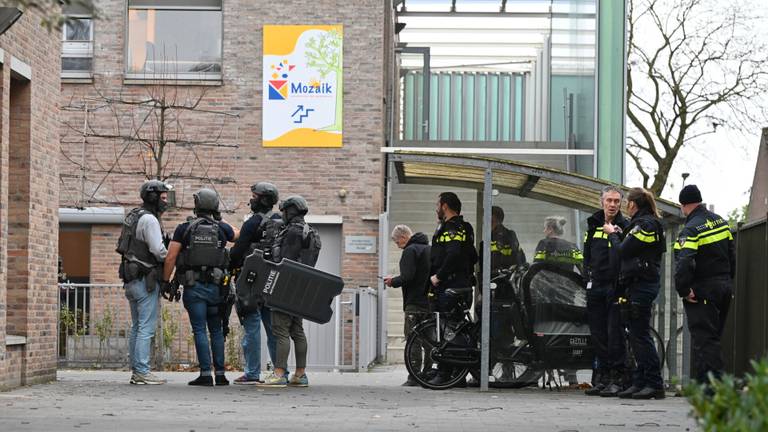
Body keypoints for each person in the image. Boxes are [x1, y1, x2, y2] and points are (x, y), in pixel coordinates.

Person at [162, 188, 238, 386]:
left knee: (199, 329)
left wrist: (165, 280)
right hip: (217, 288)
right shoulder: (222, 228)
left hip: (193, 287)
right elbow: (237, 236)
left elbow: (170, 257)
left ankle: (205, 374)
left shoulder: (184, 228)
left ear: (196, 205)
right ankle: (220, 375)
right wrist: (219, 219)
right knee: (217, 330)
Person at [604, 187, 666, 400]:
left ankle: (654, 384)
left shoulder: (646, 224)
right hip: (636, 284)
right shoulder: (641, 224)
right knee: (636, 335)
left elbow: (623, 251)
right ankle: (640, 382)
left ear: (633, 204)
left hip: (642, 284)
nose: (623, 207)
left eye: (625, 203)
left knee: (640, 336)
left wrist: (612, 235)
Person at [674, 185, 735, 385]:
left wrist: (683, 290)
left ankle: (715, 388)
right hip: (724, 287)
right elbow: (732, 254)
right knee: (712, 337)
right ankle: (703, 385)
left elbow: (684, 262)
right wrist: (728, 280)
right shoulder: (721, 222)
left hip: (702, 292)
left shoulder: (690, 229)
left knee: (705, 341)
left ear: (683, 206)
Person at [229, 182, 284, 385]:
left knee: (252, 328)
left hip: (251, 283)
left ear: (262, 200)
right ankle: (281, 372)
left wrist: (230, 261)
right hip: (274, 282)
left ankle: (252, 373)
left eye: (254, 196)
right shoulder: (282, 221)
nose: (251, 199)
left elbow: (236, 253)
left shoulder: (252, 223)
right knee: (274, 329)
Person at [117, 180, 170, 385]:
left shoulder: (133, 215)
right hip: (145, 279)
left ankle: (137, 370)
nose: (166, 202)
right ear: (152, 196)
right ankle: (142, 371)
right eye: (163, 198)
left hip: (131, 279)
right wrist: (173, 255)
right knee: (146, 327)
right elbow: (158, 250)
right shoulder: (150, 220)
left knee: (138, 326)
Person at [259, 195, 315, 388]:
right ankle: (300, 374)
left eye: (284, 211)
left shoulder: (291, 232)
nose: (282, 214)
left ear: (290, 211)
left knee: (280, 330)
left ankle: (279, 373)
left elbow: (284, 261)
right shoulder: (310, 232)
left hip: (285, 287)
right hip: (302, 288)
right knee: (297, 331)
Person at [427, 192, 478, 387]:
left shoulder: (452, 227)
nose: (436, 208)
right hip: (461, 284)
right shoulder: (465, 227)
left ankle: (445, 372)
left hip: (450, 286)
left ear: (445, 206)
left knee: (447, 330)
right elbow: (472, 256)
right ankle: (458, 374)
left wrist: (439, 276)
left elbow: (454, 252)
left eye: (437, 204)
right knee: (456, 330)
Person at [583, 186, 630, 397]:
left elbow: (626, 256)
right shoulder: (593, 224)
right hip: (596, 286)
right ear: (601, 201)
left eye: (616, 201)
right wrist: (587, 277)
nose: (612, 205)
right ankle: (601, 377)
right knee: (598, 333)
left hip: (615, 287)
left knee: (615, 334)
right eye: (609, 200)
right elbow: (587, 255)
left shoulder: (625, 226)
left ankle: (617, 379)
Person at [383, 224, 431, 387]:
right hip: (429, 302)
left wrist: (392, 281)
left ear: (403, 237)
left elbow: (408, 276)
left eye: (397, 242)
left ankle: (414, 376)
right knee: (430, 341)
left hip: (414, 302)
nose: (397, 245)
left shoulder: (410, 251)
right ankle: (428, 373)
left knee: (413, 339)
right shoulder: (428, 249)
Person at [490, 206, 526, 272]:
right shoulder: (486, 236)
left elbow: (519, 257)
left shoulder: (509, 236)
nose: (488, 224)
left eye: (491, 221)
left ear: (499, 221)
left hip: (502, 278)